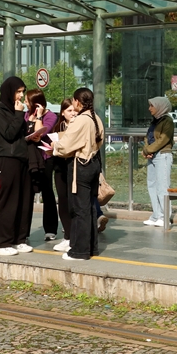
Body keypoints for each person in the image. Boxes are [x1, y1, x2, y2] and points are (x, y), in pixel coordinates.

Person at [53, 87, 104, 261]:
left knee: (79, 210)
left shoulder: (81, 120)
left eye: (74, 101)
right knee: (89, 208)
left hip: (80, 165)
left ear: (77, 101)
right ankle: (90, 247)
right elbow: (100, 140)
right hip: (94, 164)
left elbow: (66, 144)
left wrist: (54, 146)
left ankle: (79, 251)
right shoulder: (95, 117)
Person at [0, 76, 33, 256]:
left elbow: (19, 133)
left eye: (22, 92)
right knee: (8, 200)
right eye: (18, 92)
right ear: (9, 92)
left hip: (22, 158)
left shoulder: (16, 110)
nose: (21, 96)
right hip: (8, 159)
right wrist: (18, 114)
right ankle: (0, 242)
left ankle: (18, 239)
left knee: (24, 200)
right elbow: (8, 133)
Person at [24, 89, 61, 244]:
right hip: (30, 158)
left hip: (45, 158)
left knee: (47, 192)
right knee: (28, 194)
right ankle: (24, 230)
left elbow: (39, 133)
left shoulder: (51, 116)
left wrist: (38, 116)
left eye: (27, 101)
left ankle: (50, 228)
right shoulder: (26, 114)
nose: (25, 103)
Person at [142, 96, 175, 227]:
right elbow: (148, 136)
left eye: (152, 105)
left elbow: (163, 140)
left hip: (163, 155)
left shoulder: (167, 121)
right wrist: (147, 150)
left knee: (163, 186)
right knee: (152, 185)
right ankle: (156, 215)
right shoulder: (155, 121)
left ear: (160, 106)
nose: (149, 108)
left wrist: (147, 150)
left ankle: (164, 216)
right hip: (153, 155)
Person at [50, 99, 77, 252]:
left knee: (74, 202)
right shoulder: (57, 127)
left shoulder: (79, 126)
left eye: (74, 110)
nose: (73, 113)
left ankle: (74, 236)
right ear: (62, 113)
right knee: (63, 201)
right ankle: (67, 235)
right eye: (69, 111)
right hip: (60, 167)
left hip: (74, 167)